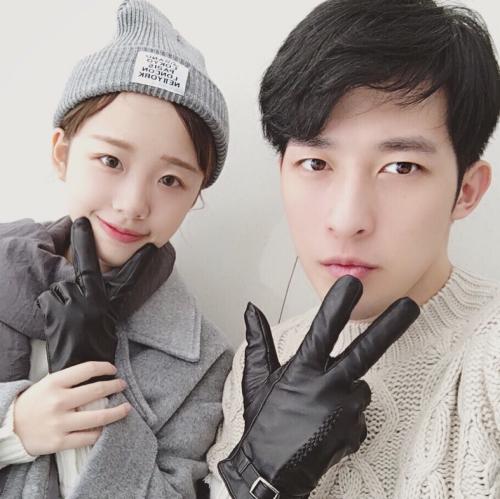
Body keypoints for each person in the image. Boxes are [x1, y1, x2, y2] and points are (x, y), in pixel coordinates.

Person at [206, 0, 500, 497]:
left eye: (401, 167)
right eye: (316, 164)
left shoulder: (490, 358)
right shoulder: (259, 365)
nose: (346, 220)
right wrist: (257, 480)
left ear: (466, 191)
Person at [0, 1, 234, 497]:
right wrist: (13, 427)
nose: (133, 205)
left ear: (195, 197)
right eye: (110, 160)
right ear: (62, 154)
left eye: (170, 180)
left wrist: (90, 391)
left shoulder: (202, 361)